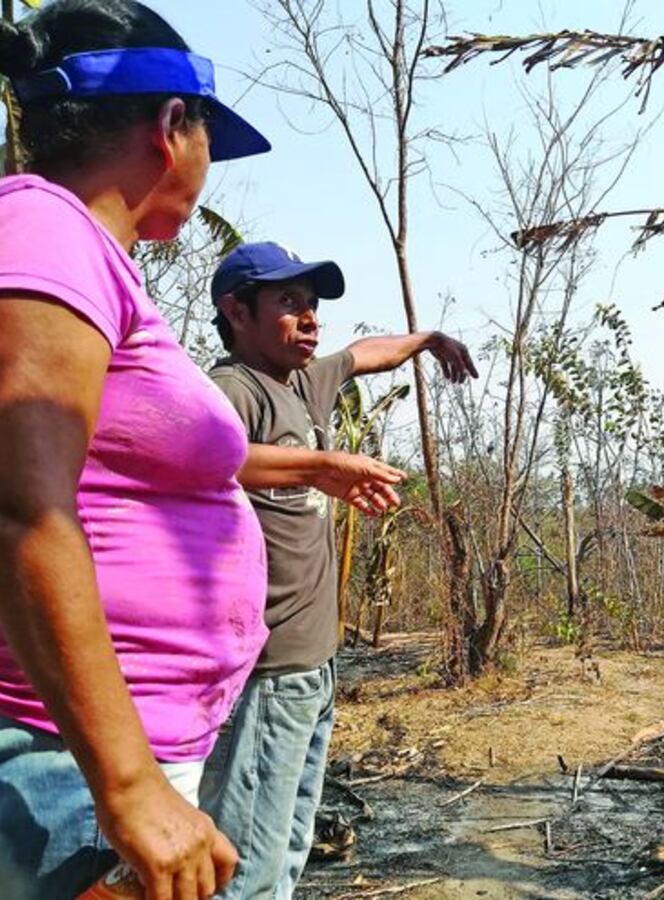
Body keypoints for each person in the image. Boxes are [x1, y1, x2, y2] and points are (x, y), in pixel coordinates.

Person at [0, 3, 277, 898]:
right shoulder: (42, 223)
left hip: (104, 751)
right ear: (170, 126)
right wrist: (127, 785)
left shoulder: (86, 257)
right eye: (209, 139)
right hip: (60, 762)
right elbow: (18, 506)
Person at [202, 241, 478, 898]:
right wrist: (322, 467)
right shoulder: (230, 389)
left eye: (313, 304)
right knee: (247, 863)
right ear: (236, 312)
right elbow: (209, 453)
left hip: (316, 666)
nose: (310, 318)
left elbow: (365, 353)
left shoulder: (304, 382)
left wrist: (427, 340)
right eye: (288, 302)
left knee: (289, 846)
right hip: (266, 671)